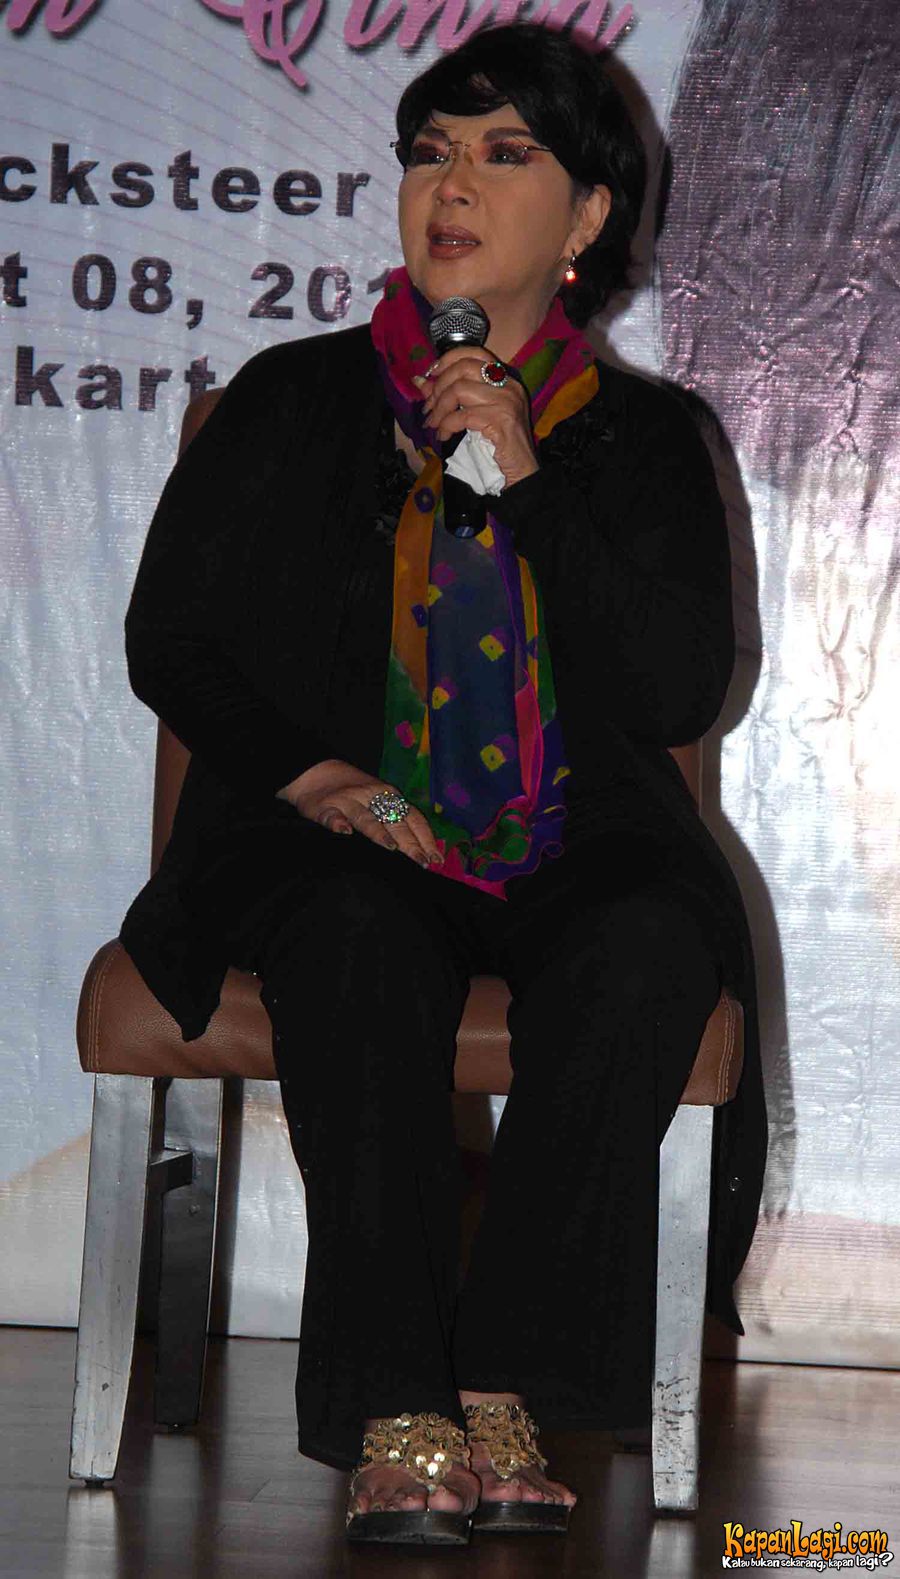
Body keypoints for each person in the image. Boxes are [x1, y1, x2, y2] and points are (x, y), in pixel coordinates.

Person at [118, 20, 768, 1547]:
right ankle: (394, 1406)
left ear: (588, 215)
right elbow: (175, 639)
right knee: (356, 928)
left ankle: (502, 1389)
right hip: (336, 833)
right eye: (429, 152)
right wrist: (315, 775)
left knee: (646, 940)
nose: (451, 185)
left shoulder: (649, 441)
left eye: (503, 153)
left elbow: (674, 692)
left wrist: (527, 478)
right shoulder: (292, 399)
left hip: (569, 835)